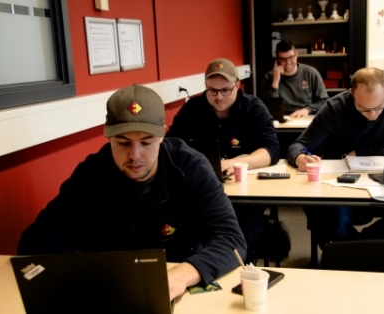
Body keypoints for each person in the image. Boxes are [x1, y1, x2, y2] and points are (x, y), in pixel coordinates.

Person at [17, 84, 247, 301]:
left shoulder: (192, 167)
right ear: (108, 137)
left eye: (146, 142)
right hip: (112, 293)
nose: (135, 155)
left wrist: (179, 276)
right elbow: (35, 241)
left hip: (181, 286)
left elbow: (232, 240)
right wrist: (91, 271)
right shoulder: (91, 174)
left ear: (162, 136)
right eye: (123, 143)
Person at [287, 67, 384, 246]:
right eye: (363, 109)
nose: (372, 115)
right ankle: (357, 251)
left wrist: (360, 153)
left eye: (379, 107)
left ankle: (357, 249)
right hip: (343, 181)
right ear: (352, 94)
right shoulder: (335, 107)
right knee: (336, 225)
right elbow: (298, 145)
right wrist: (300, 158)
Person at [166, 58, 281, 260]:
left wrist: (236, 163)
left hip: (245, 194)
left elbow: (271, 150)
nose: (218, 97)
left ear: (237, 85)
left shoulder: (253, 108)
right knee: (191, 239)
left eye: (225, 90)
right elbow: (169, 146)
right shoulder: (192, 109)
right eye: (212, 90)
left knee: (241, 237)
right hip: (199, 189)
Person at [261, 40, 329, 118]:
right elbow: (267, 108)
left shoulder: (311, 73)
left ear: (296, 54)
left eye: (291, 57)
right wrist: (275, 81)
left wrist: (307, 109)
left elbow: (324, 101)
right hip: (281, 119)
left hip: (306, 116)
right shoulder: (269, 77)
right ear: (277, 60)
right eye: (282, 59)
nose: (288, 62)